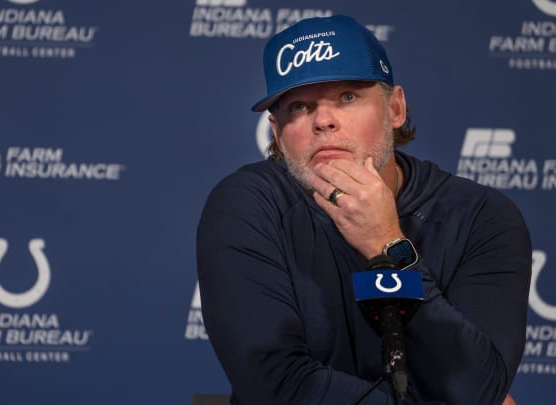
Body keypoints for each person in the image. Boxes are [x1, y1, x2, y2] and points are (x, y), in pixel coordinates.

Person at [196, 14, 531, 405]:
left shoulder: (481, 217)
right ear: (277, 132)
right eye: (300, 107)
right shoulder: (249, 204)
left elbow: (477, 389)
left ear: (395, 110)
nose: (323, 120)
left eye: (347, 97)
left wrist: (387, 244)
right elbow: (278, 386)